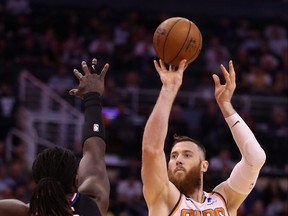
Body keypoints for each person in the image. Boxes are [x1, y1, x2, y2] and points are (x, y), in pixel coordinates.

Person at [141, 59, 266, 216]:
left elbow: (255, 158)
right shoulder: (165, 198)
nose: (178, 160)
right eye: (173, 156)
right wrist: (169, 89)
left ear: (204, 165)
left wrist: (226, 105)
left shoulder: (224, 198)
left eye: (187, 155)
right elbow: (151, 150)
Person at [0, 58, 110, 216]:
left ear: (36, 181)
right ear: (76, 179)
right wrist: (92, 98)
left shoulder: (19, 211)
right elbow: (95, 151)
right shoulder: (94, 201)